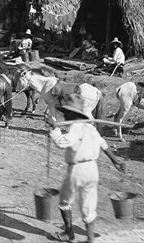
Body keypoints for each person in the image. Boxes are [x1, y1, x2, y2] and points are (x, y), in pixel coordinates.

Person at [45, 94, 125, 243]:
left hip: (77, 170)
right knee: (89, 204)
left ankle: (68, 233)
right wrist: (116, 160)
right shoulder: (90, 128)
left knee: (64, 201)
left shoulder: (75, 127)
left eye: (66, 112)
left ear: (72, 113)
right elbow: (103, 144)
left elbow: (62, 143)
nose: (64, 115)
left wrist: (53, 129)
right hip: (92, 170)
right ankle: (89, 239)